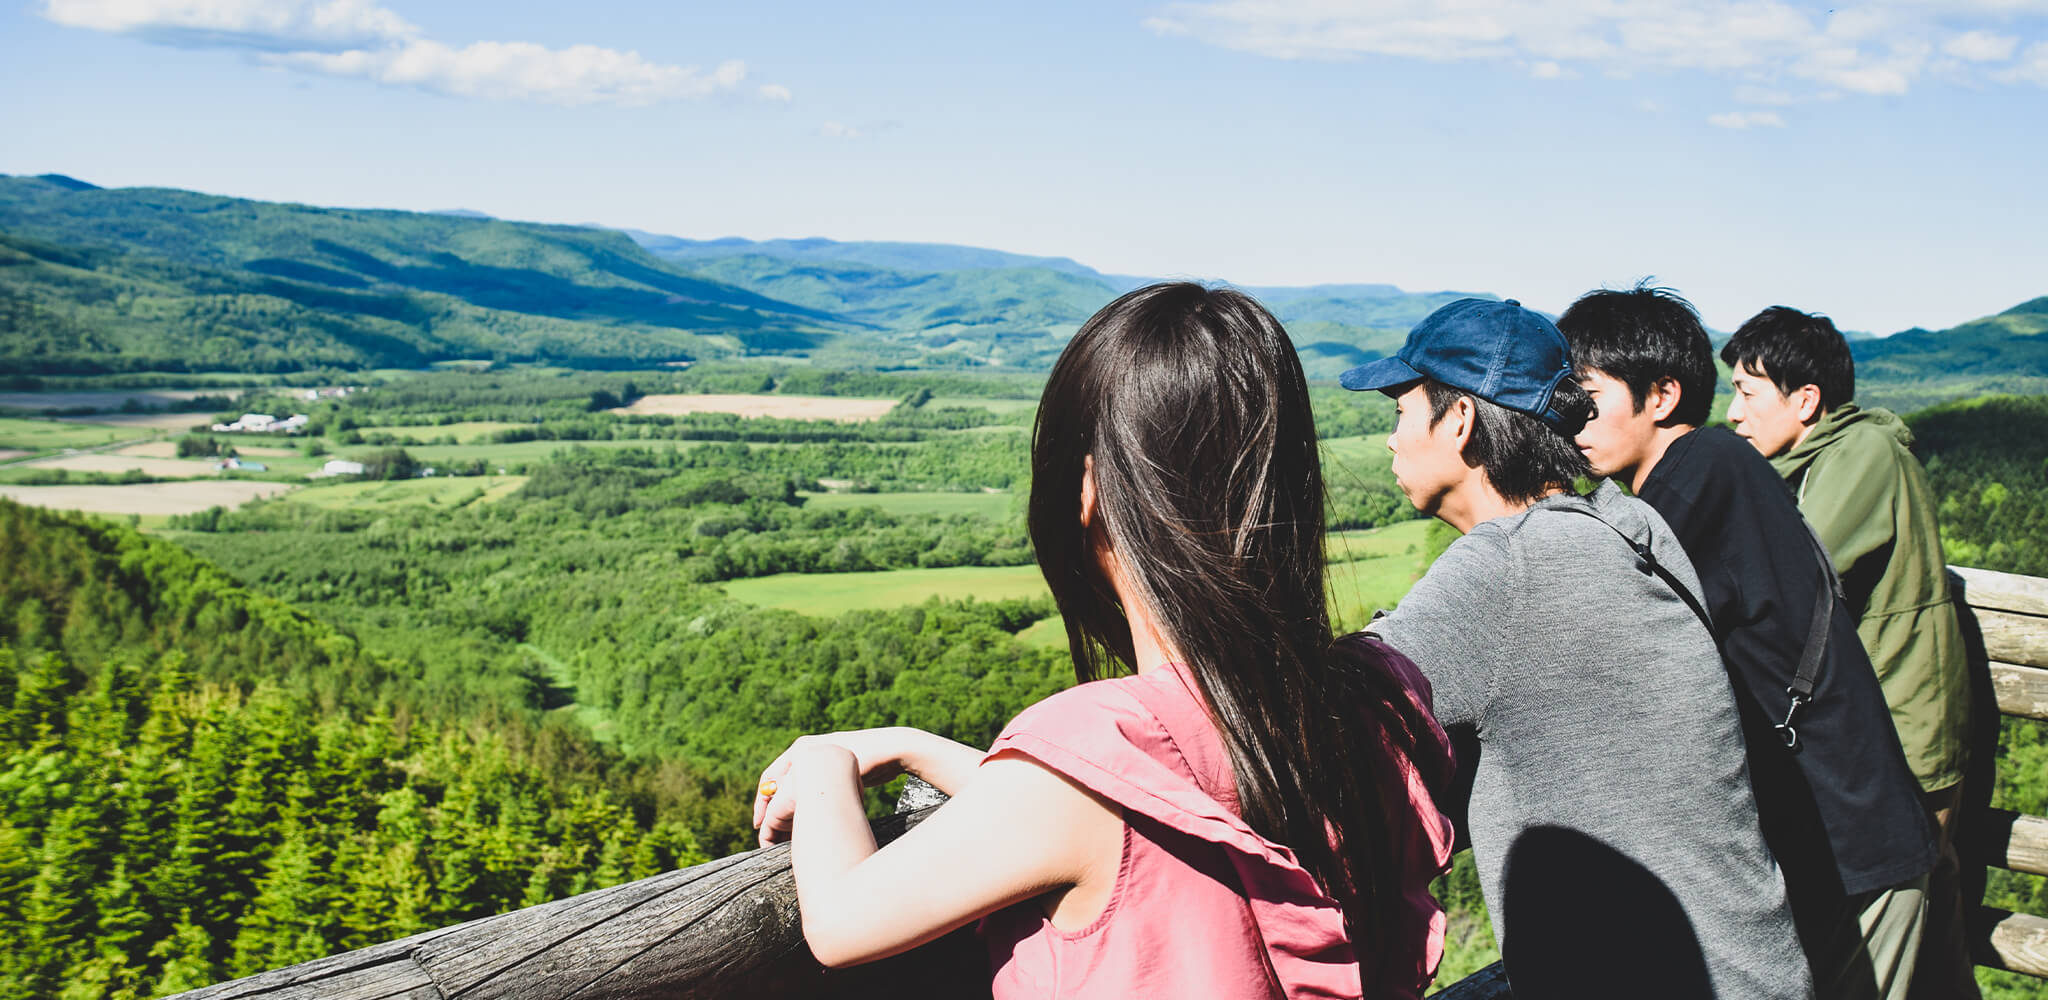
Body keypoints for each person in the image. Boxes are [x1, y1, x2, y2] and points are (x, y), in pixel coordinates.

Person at [751, 283, 1457, 999]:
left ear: (1086, 485)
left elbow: (841, 924)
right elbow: (1157, 812)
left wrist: (821, 763)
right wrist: (920, 747)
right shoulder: (1373, 696)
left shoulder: (1096, 739)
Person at [1344, 297, 1812, 1000]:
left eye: (1402, 411)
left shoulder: (1512, 564)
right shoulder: (1629, 526)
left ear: (1461, 420)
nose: (1390, 439)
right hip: (1752, 970)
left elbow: (1319, 706)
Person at [1557, 285, 1936, 999]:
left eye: (1588, 394)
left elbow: (1599, 607)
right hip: (1836, 842)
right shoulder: (1702, 473)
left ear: (1661, 395)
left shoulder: (1702, 472)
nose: (1571, 416)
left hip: (1856, 852)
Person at [1721, 306, 1979, 1000]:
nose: (1734, 412)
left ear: (1805, 401)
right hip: (1891, 735)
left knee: (1878, 937)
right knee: (1933, 930)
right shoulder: (1819, 459)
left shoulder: (1861, 456)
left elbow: (1790, 571)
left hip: (1903, 744)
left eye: (1747, 391)